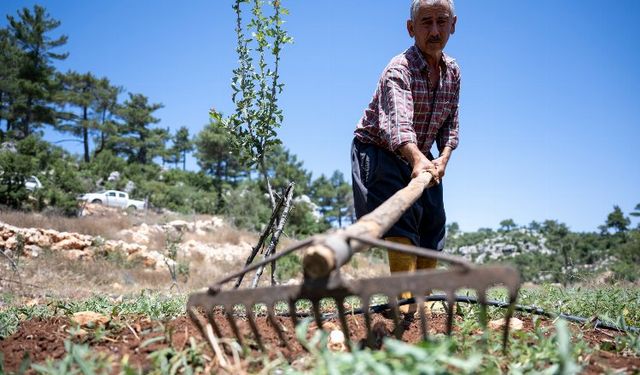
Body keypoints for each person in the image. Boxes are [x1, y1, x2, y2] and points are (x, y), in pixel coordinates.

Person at [351, 0, 460, 315]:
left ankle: (421, 302)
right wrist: (415, 158)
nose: (435, 31)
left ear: (454, 24)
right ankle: (403, 300)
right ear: (411, 29)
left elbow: (451, 122)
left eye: (442, 22)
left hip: (422, 154)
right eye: (426, 22)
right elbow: (397, 124)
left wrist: (444, 157)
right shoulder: (399, 68)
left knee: (433, 222)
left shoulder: (453, 72)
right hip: (379, 149)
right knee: (402, 223)